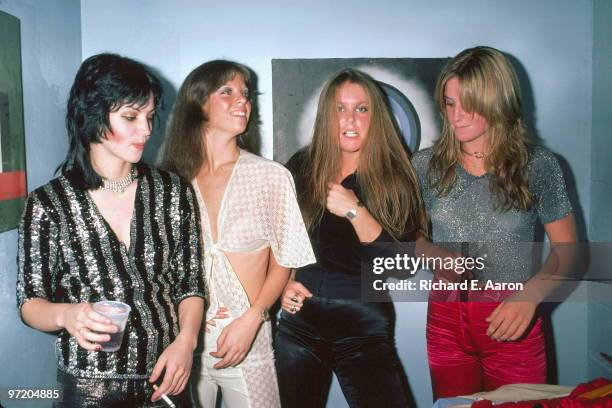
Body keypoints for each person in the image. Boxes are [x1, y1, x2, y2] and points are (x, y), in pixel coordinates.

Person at [16, 53, 206, 407]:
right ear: (92, 116)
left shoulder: (172, 191)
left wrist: (187, 342)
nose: (146, 130)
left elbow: (190, 282)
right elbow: (29, 301)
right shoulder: (49, 203)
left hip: (166, 374)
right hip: (88, 385)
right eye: (131, 117)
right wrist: (66, 315)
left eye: (149, 117)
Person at [412, 46, 577, 399]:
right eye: (449, 102)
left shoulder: (539, 165)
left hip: (512, 322)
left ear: (497, 102)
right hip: (445, 321)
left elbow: (570, 252)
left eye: (468, 105)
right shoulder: (425, 166)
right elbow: (411, 236)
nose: (456, 117)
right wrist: (431, 253)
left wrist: (531, 296)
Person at [160, 60, 315, 408]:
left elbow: (286, 258)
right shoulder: (169, 182)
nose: (242, 101)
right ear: (198, 103)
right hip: (181, 342)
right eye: (227, 91)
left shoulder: (270, 176)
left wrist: (254, 318)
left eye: (245, 94)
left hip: (247, 338)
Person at [275, 69, 427, 408]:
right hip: (301, 321)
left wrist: (356, 210)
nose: (350, 119)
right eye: (340, 109)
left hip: (363, 322)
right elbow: (283, 237)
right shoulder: (302, 165)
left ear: (376, 117)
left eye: (361, 109)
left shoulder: (396, 175)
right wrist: (287, 281)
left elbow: (401, 267)